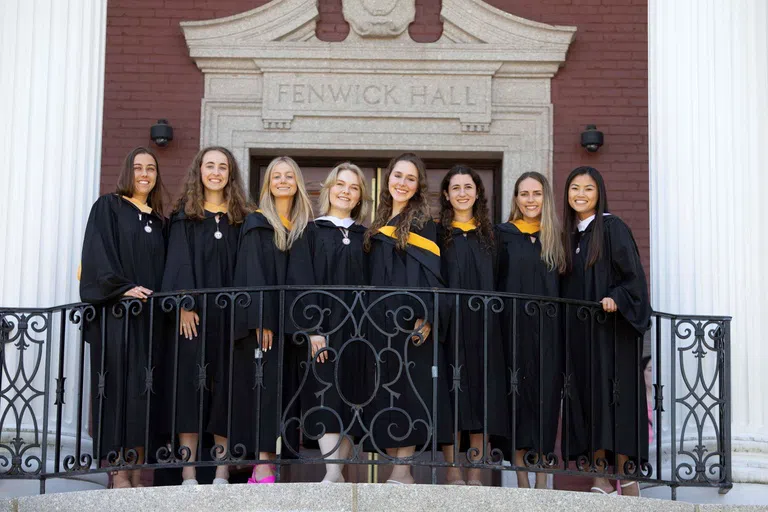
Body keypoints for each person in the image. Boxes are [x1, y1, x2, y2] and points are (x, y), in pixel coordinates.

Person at [161, 146, 251, 485]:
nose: (216, 172)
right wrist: (185, 303)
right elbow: (178, 261)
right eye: (209, 165)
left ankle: (222, 470)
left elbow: (248, 267)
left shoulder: (243, 217)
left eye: (222, 166)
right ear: (199, 171)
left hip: (230, 319)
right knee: (190, 387)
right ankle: (188, 472)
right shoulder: (186, 216)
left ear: (231, 174)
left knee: (226, 389)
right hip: (194, 319)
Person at [560, 166, 651, 497]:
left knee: (617, 401)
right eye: (574, 188)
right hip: (582, 339)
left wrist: (617, 297)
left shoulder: (612, 228)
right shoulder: (570, 238)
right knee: (589, 400)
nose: (580, 194)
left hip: (612, 336)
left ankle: (627, 478)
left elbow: (634, 280)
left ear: (599, 193)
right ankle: (598, 477)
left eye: (588, 188)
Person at [80, 147, 167, 488]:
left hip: (151, 322)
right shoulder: (109, 207)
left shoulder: (160, 221)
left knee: (146, 391)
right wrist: (122, 288)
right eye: (138, 167)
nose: (144, 173)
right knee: (117, 389)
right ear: (127, 172)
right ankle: (117, 471)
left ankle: (136, 470)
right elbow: (96, 254)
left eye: (151, 168)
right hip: (117, 317)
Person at [363, 152, 451, 485]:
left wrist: (426, 316)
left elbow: (433, 275)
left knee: (412, 391)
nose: (402, 183)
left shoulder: (423, 224)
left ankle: (404, 468)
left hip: (411, 322)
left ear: (418, 186)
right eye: (398, 176)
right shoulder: (378, 222)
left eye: (410, 178)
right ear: (388, 180)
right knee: (389, 390)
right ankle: (397, 466)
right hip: (380, 323)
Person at [226, 156, 312, 484]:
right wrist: (262, 320)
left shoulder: (304, 227)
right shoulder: (257, 224)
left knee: (287, 391)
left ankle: (277, 461)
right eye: (277, 176)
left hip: (292, 329)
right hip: (267, 327)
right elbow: (252, 276)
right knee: (264, 390)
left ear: (297, 183)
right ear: (268, 184)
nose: (283, 180)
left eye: (289, 175)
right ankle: (262, 464)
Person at [287, 162, 372, 483]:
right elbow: (302, 281)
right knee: (324, 394)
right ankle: (333, 470)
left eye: (353, 187)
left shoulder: (367, 237)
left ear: (360, 195)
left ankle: (339, 472)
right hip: (322, 327)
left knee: (353, 396)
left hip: (360, 331)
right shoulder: (310, 232)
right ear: (328, 189)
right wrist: (312, 331)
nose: (345, 191)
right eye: (340, 185)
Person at [437, 165, 508, 486]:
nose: (462, 193)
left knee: (482, 395)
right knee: (452, 394)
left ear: (478, 192)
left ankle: (476, 472)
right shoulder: (436, 234)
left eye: (468, 187)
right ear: (446, 195)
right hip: (449, 326)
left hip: (485, 327)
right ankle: (452, 469)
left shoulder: (493, 236)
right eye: (456, 188)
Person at [495, 171, 565, 489]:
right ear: (516, 199)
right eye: (524, 194)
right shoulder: (503, 235)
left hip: (549, 333)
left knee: (546, 401)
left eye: (536, 194)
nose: (530, 200)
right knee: (517, 399)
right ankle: (522, 481)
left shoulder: (556, 238)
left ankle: (542, 481)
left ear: (545, 198)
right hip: (514, 330)